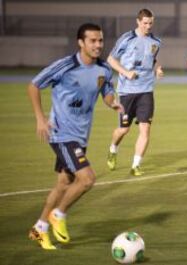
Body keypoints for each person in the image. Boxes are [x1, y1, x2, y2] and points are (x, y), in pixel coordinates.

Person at [28, 23, 123, 250]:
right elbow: (34, 86)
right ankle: (58, 215)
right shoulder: (65, 66)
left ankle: (39, 229)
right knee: (87, 179)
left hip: (81, 136)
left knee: (65, 182)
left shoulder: (104, 70)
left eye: (100, 40)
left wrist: (113, 103)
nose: (98, 45)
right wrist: (41, 119)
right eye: (92, 41)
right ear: (81, 43)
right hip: (61, 133)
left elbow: (107, 93)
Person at [106, 9, 163, 175]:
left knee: (145, 129)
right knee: (124, 129)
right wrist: (125, 72)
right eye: (145, 23)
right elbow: (110, 59)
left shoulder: (156, 41)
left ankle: (135, 165)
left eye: (150, 23)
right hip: (127, 91)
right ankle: (113, 148)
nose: (148, 26)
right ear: (138, 22)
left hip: (146, 90)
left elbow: (153, 60)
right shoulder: (127, 38)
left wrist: (157, 69)